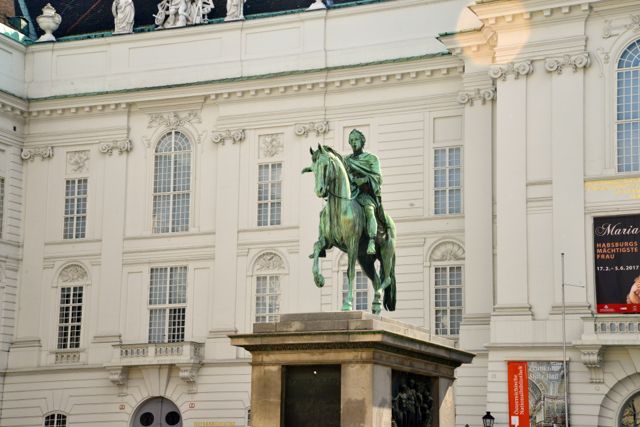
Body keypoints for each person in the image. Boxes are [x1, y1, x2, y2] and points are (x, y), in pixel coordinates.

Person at [344, 129, 384, 255]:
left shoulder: (372, 159)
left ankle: (372, 240)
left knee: (369, 210)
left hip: (364, 193)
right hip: (349, 194)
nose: (353, 142)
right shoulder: (346, 160)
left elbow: (378, 178)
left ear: (362, 141)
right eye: (351, 140)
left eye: (356, 139)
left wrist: (364, 180)